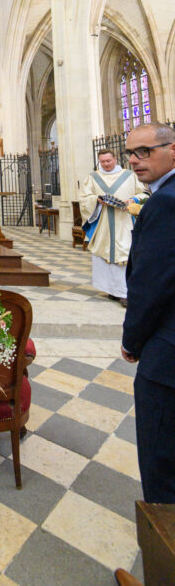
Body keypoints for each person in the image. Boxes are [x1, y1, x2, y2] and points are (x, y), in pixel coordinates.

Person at [121, 122, 175, 502]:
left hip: (167, 350)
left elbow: (152, 283)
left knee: (161, 459)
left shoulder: (166, 202)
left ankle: (164, 551)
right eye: (130, 153)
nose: (134, 161)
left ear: (172, 149)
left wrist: (132, 340)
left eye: (144, 151)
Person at [79, 148, 145, 307]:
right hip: (103, 224)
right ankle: (112, 291)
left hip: (124, 221)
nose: (106, 164)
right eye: (102, 161)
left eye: (108, 161)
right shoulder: (93, 177)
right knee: (103, 253)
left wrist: (133, 199)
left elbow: (145, 193)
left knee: (125, 255)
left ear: (115, 159)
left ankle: (125, 293)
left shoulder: (129, 175)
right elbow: (84, 197)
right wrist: (96, 200)